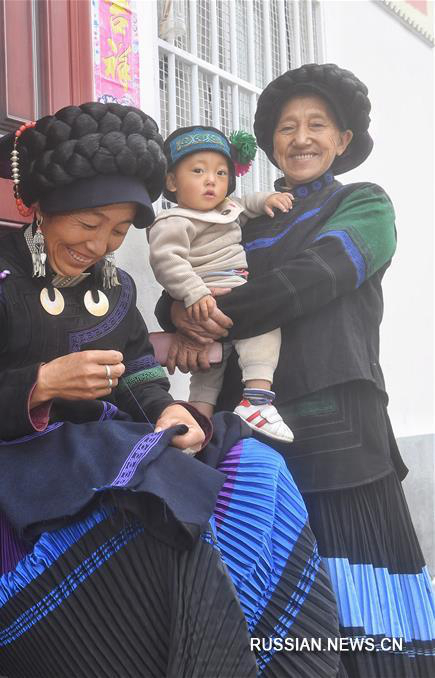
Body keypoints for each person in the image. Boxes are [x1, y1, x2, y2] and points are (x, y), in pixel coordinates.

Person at [0, 102, 341, 677]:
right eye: (88, 225)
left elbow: (140, 373)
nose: (101, 247)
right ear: (38, 207)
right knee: (162, 517)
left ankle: (267, 653)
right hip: (20, 491)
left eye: (117, 232)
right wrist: (38, 387)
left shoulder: (115, 289)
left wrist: (168, 412)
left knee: (254, 461)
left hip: (114, 460)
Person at [157, 63, 435, 677]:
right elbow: (172, 289)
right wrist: (177, 304)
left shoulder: (363, 205)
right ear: (272, 142)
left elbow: (312, 280)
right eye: (287, 127)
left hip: (340, 430)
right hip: (248, 433)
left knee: (351, 590)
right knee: (265, 591)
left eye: (318, 125)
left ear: (342, 140)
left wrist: (198, 312)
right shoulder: (239, 218)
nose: (301, 137)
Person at [148, 125, 295, 442]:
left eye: (221, 172)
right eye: (198, 171)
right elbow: (166, 261)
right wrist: (193, 293)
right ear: (172, 181)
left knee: (223, 358)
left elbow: (246, 204)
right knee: (215, 364)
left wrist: (268, 199)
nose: (211, 180)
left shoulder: (226, 210)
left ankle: (224, 414)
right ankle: (227, 413)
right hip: (204, 297)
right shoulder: (174, 221)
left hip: (224, 297)